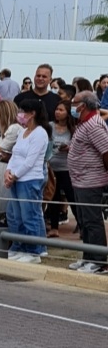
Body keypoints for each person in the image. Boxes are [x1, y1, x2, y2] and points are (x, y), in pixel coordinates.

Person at [2, 100, 51, 263]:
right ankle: (20, 245)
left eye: (23, 111)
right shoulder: (23, 132)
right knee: (17, 216)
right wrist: (8, 172)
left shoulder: (40, 133)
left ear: (32, 113)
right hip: (16, 178)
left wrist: (14, 175)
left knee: (29, 215)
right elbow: (15, 154)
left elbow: (30, 161)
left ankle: (33, 250)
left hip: (29, 179)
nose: (20, 114)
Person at [65, 92, 108, 272]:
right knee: (83, 220)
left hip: (91, 181)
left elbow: (106, 151)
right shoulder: (83, 123)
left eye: (74, 103)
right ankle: (87, 256)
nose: (72, 106)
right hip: (80, 180)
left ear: (83, 105)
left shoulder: (94, 125)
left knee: (92, 220)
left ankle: (99, 261)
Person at [45, 101, 76, 236]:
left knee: (71, 197)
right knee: (53, 197)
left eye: (61, 110)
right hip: (52, 167)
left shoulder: (73, 129)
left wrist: (69, 147)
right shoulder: (50, 126)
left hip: (66, 167)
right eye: (57, 109)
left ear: (68, 113)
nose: (57, 112)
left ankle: (81, 224)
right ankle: (54, 228)